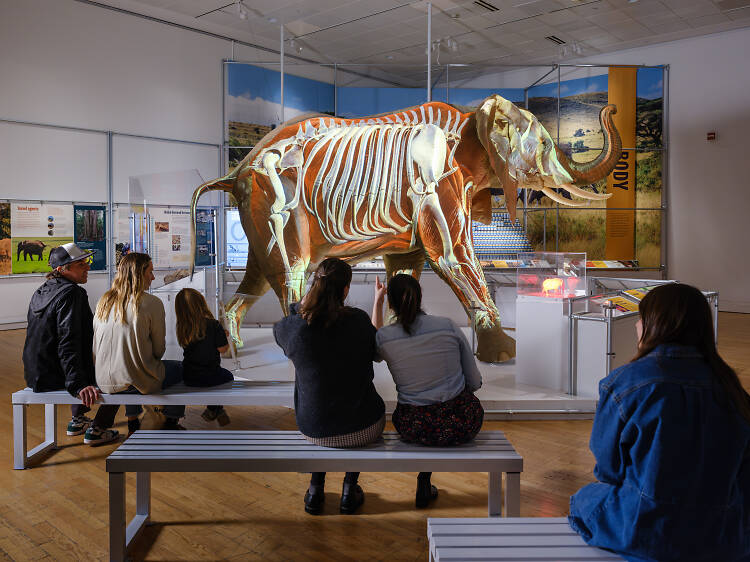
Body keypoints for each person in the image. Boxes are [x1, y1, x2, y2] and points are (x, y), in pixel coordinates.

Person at [569, 283, 750, 562]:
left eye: (640, 319)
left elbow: (608, 471)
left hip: (649, 531)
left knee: (584, 498)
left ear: (653, 325)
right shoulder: (732, 388)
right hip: (723, 534)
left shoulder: (625, 383)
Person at [273, 258, 385, 515]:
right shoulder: (357, 320)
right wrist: (378, 301)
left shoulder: (295, 330)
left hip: (313, 428)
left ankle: (315, 490)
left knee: (322, 409)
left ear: (315, 285)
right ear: (346, 290)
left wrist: (304, 303)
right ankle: (349, 489)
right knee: (353, 407)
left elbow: (285, 322)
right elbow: (378, 350)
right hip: (364, 428)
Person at [372, 273, 484, 508]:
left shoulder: (384, 337)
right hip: (460, 423)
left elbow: (374, 347)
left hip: (413, 426)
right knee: (448, 409)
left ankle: (425, 478)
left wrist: (378, 301)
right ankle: (425, 479)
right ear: (420, 297)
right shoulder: (448, 326)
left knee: (428, 415)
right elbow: (474, 382)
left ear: (391, 303)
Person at [22, 243, 120, 445]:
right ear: (62, 269)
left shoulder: (43, 290)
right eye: (80, 264)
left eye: (86, 262)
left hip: (36, 373)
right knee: (120, 377)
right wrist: (78, 385)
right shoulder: (72, 294)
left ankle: (78, 420)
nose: (87, 267)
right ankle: (98, 429)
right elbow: (69, 341)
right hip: (54, 376)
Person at [93, 252, 186, 430]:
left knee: (132, 367)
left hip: (102, 380)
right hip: (133, 381)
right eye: (150, 272)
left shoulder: (103, 301)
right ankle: (171, 420)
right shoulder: (151, 302)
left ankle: (133, 420)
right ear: (138, 273)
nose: (153, 277)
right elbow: (159, 351)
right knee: (180, 368)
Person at [175, 288, 233, 425]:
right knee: (228, 377)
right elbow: (223, 349)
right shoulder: (213, 324)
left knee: (215, 379)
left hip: (189, 376)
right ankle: (214, 408)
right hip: (211, 375)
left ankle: (215, 410)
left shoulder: (182, 327)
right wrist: (224, 336)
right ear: (202, 303)